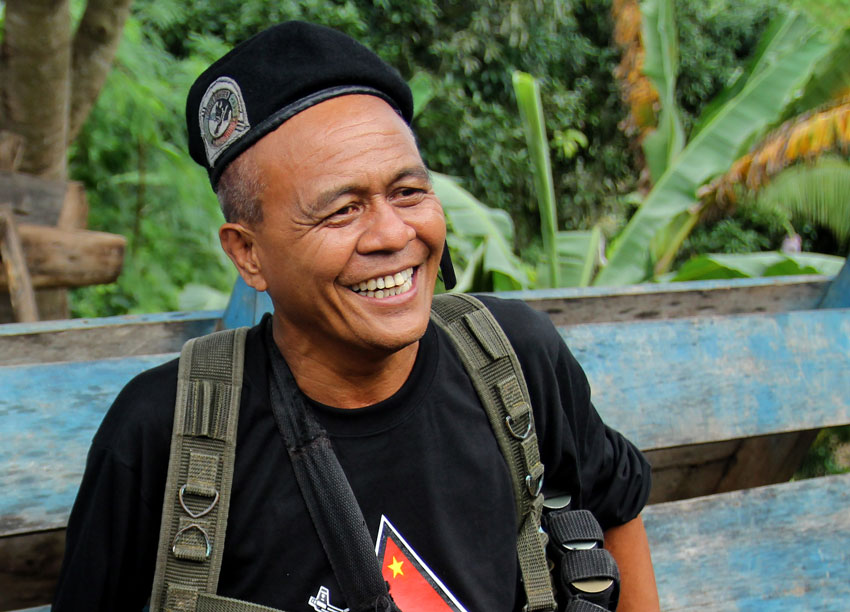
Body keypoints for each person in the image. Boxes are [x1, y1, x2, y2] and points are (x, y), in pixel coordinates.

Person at [53, 21, 658, 612]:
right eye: (341, 211)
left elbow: (614, 504)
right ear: (248, 253)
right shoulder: (164, 433)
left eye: (408, 193)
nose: (394, 234)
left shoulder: (512, 358)